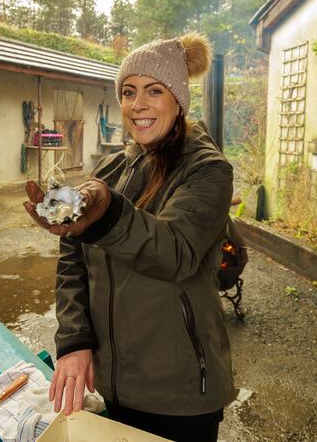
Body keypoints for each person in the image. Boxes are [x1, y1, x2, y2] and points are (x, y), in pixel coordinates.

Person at [23, 32, 236, 442]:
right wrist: (74, 339)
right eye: (128, 91)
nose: (137, 104)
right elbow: (73, 258)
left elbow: (174, 252)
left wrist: (106, 211)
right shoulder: (111, 167)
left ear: (178, 100)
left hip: (180, 394)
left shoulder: (209, 170)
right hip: (116, 383)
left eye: (154, 91)